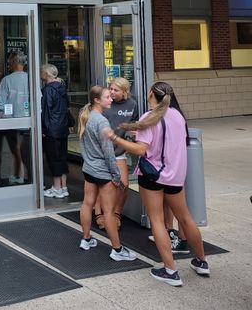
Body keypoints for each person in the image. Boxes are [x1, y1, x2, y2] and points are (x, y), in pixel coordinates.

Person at [112, 81, 210, 286]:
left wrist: (116, 138)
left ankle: (170, 271)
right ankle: (201, 261)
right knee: (185, 218)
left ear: (151, 95)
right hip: (175, 176)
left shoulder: (150, 117)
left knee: (157, 221)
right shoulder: (178, 115)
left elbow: (140, 150)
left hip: (152, 175)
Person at [77, 85, 137, 262]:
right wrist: (116, 175)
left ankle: (86, 239)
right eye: (107, 97)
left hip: (89, 169)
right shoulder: (101, 121)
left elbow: (83, 146)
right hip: (103, 171)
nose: (111, 99)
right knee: (109, 212)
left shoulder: (85, 115)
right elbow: (109, 152)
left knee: (87, 204)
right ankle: (117, 250)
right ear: (97, 100)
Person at [94, 77, 138, 227]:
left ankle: (116, 213)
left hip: (119, 151)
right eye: (110, 89)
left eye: (116, 90)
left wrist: (130, 138)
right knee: (103, 184)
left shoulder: (132, 104)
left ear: (125, 92)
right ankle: (98, 213)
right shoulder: (105, 102)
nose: (112, 92)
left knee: (123, 185)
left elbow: (134, 122)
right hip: (101, 151)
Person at [0, 52, 29, 184]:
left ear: (14, 62)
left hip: (10, 121)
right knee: (24, 150)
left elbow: (1, 102)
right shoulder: (30, 79)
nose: (8, 64)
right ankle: (24, 175)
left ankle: (17, 174)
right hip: (27, 119)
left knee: (14, 150)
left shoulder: (7, 80)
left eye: (9, 61)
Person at [40, 63, 70, 199]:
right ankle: (64, 187)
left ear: (46, 74)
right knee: (62, 158)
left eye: (41, 72)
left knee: (54, 159)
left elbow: (46, 112)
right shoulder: (62, 88)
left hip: (52, 129)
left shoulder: (48, 90)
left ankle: (56, 188)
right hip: (63, 128)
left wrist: (44, 130)